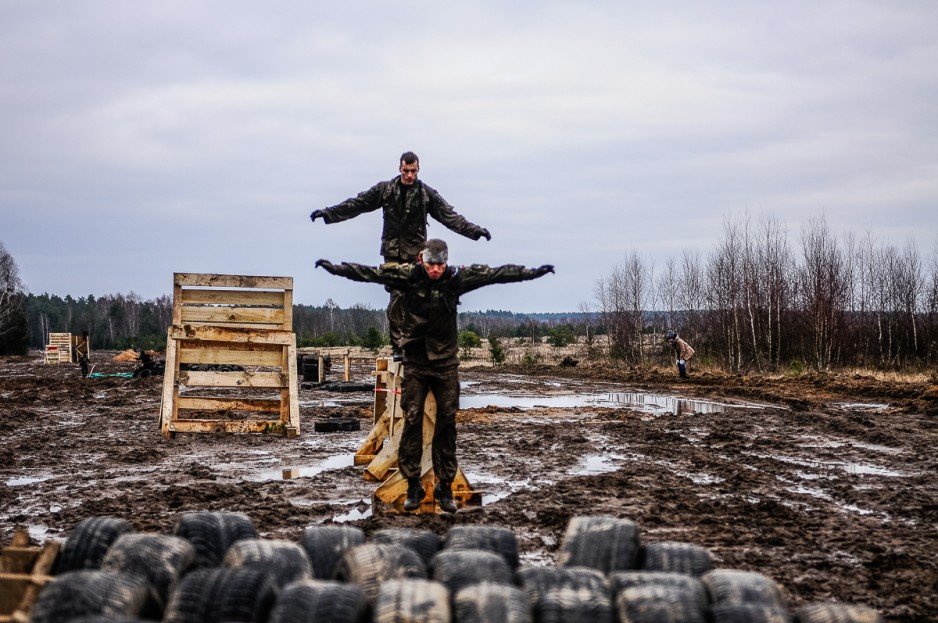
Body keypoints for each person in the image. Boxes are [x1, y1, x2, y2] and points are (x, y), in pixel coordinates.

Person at [316, 239, 553, 513]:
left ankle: (444, 487)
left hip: (445, 364)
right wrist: (335, 269)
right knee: (413, 419)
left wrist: (532, 272)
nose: (436, 270)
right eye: (431, 264)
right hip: (416, 362)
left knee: (446, 423)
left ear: (446, 262)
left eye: (440, 264)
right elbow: (371, 273)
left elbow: (496, 274)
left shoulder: (455, 279)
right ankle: (413, 485)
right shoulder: (409, 277)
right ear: (422, 261)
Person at [310, 152, 491, 360]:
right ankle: (399, 347)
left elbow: (450, 217)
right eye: (406, 171)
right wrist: (328, 213)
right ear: (399, 169)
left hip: (416, 254)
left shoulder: (426, 194)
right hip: (392, 254)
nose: (410, 175)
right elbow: (357, 204)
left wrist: (475, 231)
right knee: (397, 296)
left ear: (418, 170)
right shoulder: (385, 190)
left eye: (413, 171)